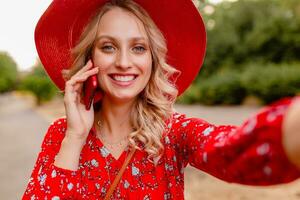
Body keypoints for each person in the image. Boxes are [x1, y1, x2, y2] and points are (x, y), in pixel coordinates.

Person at [23, 0, 300, 199]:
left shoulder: (174, 133)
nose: (123, 62)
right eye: (108, 47)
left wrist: (290, 129)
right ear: (90, 59)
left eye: (138, 48)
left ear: (153, 60)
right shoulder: (60, 135)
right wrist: (75, 137)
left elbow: (233, 150)